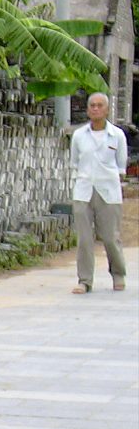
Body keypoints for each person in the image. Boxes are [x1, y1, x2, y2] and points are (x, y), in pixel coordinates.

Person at [69, 92, 128, 294]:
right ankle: (85, 280)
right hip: (83, 191)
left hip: (109, 192)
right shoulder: (79, 136)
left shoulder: (117, 135)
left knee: (111, 237)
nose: (95, 109)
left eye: (99, 105)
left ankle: (118, 274)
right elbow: (74, 163)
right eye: (92, 105)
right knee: (84, 239)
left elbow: (121, 165)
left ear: (107, 109)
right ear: (87, 110)